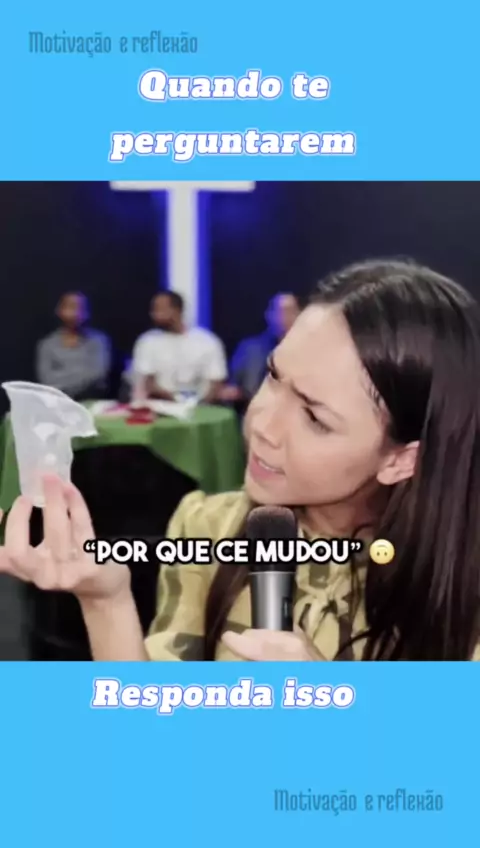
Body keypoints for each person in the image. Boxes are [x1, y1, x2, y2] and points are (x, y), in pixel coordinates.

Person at [3, 258, 480, 662]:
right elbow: (153, 730)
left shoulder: (460, 581)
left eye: (315, 417)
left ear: (401, 459)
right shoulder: (211, 526)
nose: (262, 423)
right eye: (274, 376)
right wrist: (105, 600)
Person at [131, 291, 228, 403]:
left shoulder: (208, 341)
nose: (154, 314)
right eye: (153, 310)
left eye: (159, 309)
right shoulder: (147, 341)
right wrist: (175, 400)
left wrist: (199, 405)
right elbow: (148, 383)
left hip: (201, 405)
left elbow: (216, 382)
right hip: (160, 404)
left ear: (177, 310)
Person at [219, 293, 301, 405]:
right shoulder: (249, 349)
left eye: (289, 311)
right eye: (279, 311)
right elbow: (232, 388)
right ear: (268, 315)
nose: (284, 317)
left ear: (299, 316)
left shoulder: (310, 351)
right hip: (253, 409)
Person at [36, 292, 111, 400]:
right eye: (70, 307)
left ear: (87, 313)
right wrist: (80, 373)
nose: (75, 313)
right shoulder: (47, 344)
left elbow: (97, 374)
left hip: (91, 399)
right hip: (58, 400)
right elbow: (47, 379)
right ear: (59, 311)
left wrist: (62, 380)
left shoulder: (98, 341)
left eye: (80, 308)